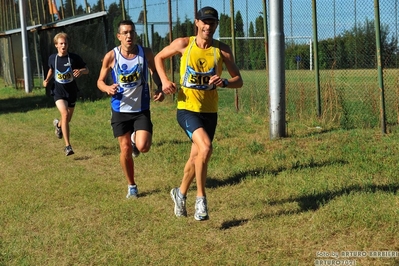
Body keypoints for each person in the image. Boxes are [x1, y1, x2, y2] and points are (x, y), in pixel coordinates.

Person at [154, 6, 243, 221]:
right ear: (197, 23)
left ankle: (180, 193)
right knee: (206, 147)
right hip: (186, 109)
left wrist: (224, 82)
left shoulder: (222, 50)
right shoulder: (184, 44)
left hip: (209, 112)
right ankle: (201, 200)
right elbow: (158, 58)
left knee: (197, 157)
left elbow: (238, 80)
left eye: (212, 23)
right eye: (204, 22)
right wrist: (164, 81)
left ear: (216, 25)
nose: (208, 27)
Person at [97, 20, 164, 199]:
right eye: (125, 33)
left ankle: (136, 138)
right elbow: (100, 81)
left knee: (144, 147)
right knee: (125, 149)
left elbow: (154, 71)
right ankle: (131, 185)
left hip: (141, 108)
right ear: (119, 36)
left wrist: (160, 87)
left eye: (132, 32)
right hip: (120, 109)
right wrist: (107, 88)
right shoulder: (111, 56)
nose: (129, 36)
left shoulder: (145, 53)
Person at [43, 32, 89, 156]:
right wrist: (47, 80)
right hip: (58, 91)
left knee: (67, 119)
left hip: (71, 91)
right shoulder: (53, 58)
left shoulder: (74, 58)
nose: (63, 46)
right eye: (61, 43)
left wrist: (81, 71)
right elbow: (51, 69)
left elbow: (87, 69)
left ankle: (58, 125)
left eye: (65, 43)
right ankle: (68, 146)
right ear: (56, 45)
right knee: (64, 114)